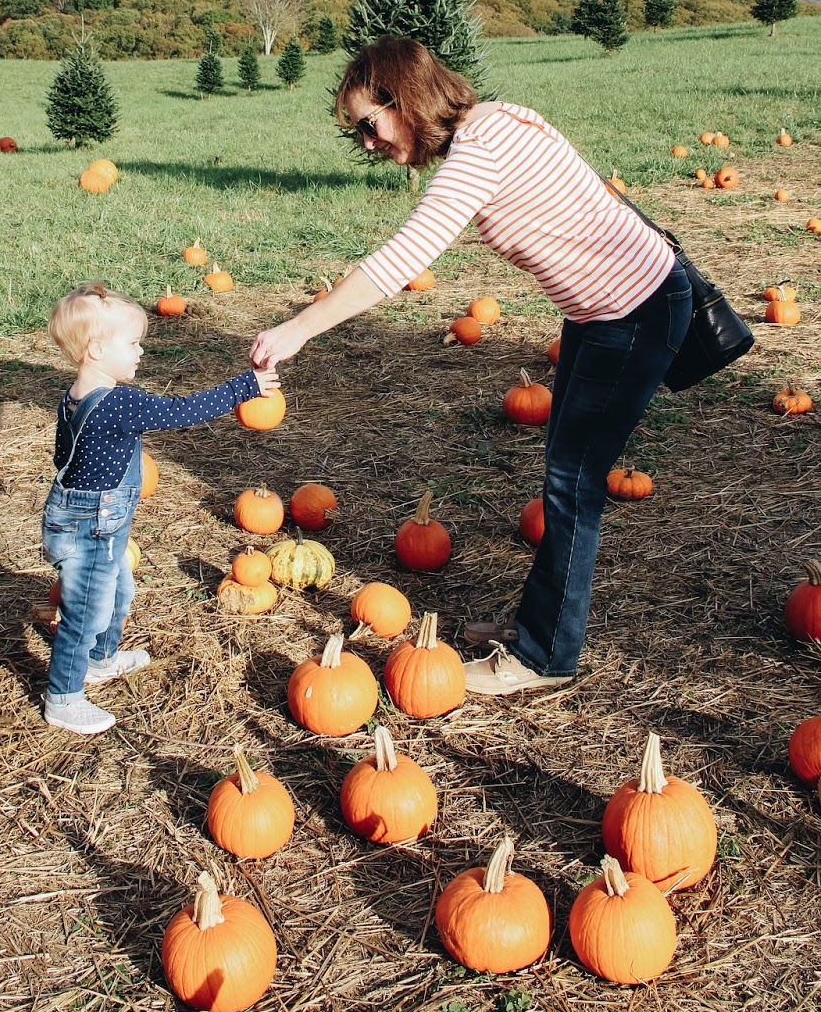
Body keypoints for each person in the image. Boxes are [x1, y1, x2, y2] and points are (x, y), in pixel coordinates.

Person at [250, 35, 692, 696]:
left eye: (370, 124)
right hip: (610, 313)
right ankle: (538, 625)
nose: (368, 143)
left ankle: (543, 657)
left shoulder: (480, 149)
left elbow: (402, 260)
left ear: (406, 99)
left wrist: (299, 329)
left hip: (632, 315)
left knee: (573, 487)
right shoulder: (502, 120)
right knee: (565, 473)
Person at [43, 282, 280, 736]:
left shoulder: (74, 396)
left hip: (85, 518)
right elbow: (181, 412)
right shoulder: (119, 402)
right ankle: (63, 697)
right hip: (89, 526)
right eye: (132, 343)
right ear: (95, 350)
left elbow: (62, 454)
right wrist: (243, 387)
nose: (141, 352)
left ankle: (101, 659)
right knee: (85, 612)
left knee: (118, 593)